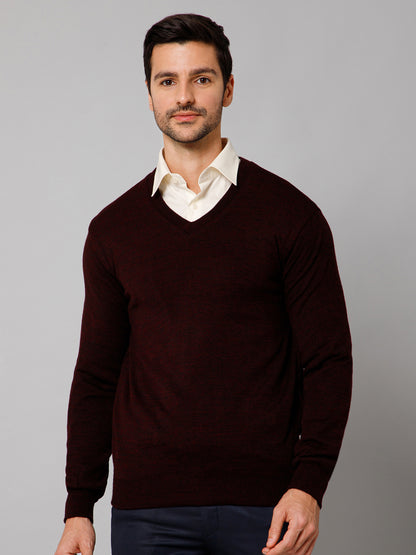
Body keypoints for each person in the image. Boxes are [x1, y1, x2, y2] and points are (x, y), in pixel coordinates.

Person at [55, 13, 352, 555]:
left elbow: (328, 360)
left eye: (202, 78)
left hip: (265, 507)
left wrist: (309, 486)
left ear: (228, 89)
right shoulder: (114, 230)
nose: (184, 96)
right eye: (167, 80)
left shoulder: (291, 216)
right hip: (147, 510)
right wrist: (79, 506)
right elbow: (97, 373)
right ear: (149, 94)